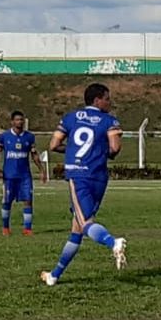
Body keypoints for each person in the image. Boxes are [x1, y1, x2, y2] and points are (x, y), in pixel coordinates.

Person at [40, 83, 127, 286]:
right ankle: (54, 275)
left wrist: (72, 149)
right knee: (77, 229)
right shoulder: (109, 121)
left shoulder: (70, 118)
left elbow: (53, 145)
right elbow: (115, 148)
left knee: (86, 222)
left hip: (78, 176)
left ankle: (112, 242)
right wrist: (97, 152)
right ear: (97, 100)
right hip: (99, 176)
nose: (109, 102)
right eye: (107, 98)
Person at [0, 110, 46, 236]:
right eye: (17, 120)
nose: (19, 122)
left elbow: (34, 155)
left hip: (25, 175)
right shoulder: (4, 136)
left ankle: (27, 229)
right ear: (12, 122)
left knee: (28, 200)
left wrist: (41, 170)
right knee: (7, 201)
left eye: (21, 120)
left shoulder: (29, 137)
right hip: (9, 175)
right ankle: (5, 227)